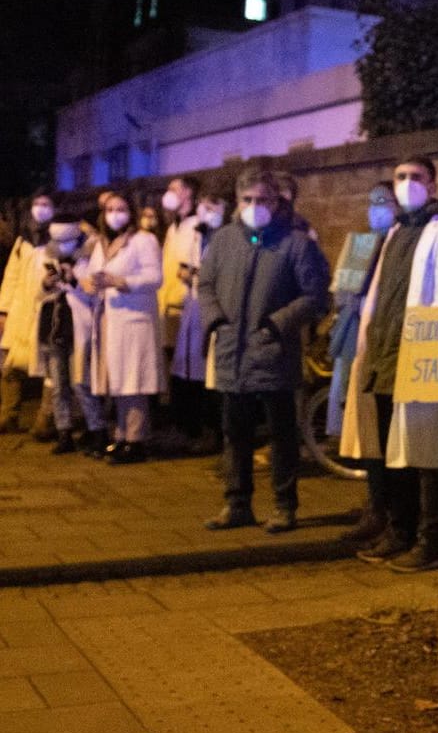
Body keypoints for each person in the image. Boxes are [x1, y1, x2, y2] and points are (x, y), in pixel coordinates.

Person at [341, 156, 438, 570]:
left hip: (420, 358)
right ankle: (400, 531)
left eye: (416, 178)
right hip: (384, 358)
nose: (407, 184)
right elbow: (378, 298)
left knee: (427, 456)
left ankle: (430, 540)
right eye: (401, 177)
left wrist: (435, 354)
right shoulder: (395, 232)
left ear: (432, 185)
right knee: (395, 456)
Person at [198, 170, 330, 532]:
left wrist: (278, 323)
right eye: (248, 200)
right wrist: (216, 321)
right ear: (238, 202)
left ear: (277, 202)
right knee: (235, 432)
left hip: (274, 351)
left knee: (281, 434)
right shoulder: (223, 240)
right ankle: (237, 502)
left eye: (263, 200)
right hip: (232, 351)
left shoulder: (296, 243)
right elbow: (205, 283)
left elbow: (316, 295)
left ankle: (284, 505)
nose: (255, 208)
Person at [336, 182, 399, 548]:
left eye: (383, 202)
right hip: (357, 346)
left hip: (383, 350)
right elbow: (342, 292)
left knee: (379, 434)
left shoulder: (399, 241)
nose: (376, 209)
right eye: (371, 201)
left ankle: (384, 510)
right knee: (364, 432)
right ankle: (375, 506)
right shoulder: (363, 244)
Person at [87, 189, 165, 464]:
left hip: (134, 319)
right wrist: (93, 281)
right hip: (110, 318)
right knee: (117, 380)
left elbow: (155, 277)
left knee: (133, 379)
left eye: (120, 209)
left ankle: (137, 438)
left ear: (131, 213)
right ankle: (121, 435)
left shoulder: (144, 240)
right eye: (109, 210)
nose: (114, 215)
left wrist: (121, 282)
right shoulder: (103, 243)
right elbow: (92, 271)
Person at [36, 213, 104, 454]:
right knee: (58, 385)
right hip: (52, 327)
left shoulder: (89, 255)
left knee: (80, 382)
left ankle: (97, 429)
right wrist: (47, 283)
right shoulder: (44, 254)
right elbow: (36, 290)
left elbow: (92, 291)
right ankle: (64, 432)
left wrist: (73, 279)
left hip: (77, 326)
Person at [168, 186, 228, 455]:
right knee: (189, 370)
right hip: (193, 306)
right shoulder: (198, 235)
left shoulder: (228, 237)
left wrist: (200, 275)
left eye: (213, 206)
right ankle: (190, 427)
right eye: (203, 206)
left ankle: (213, 432)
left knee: (210, 374)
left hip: (214, 310)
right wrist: (189, 273)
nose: (206, 212)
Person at [0, 190, 55, 435]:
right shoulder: (23, 241)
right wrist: (3, 310)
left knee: (49, 367)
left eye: (46, 204)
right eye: (37, 204)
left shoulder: (60, 238)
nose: (41, 208)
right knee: (9, 365)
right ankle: (8, 414)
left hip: (47, 311)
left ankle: (46, 418)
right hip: (20, 311)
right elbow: (11, 276)